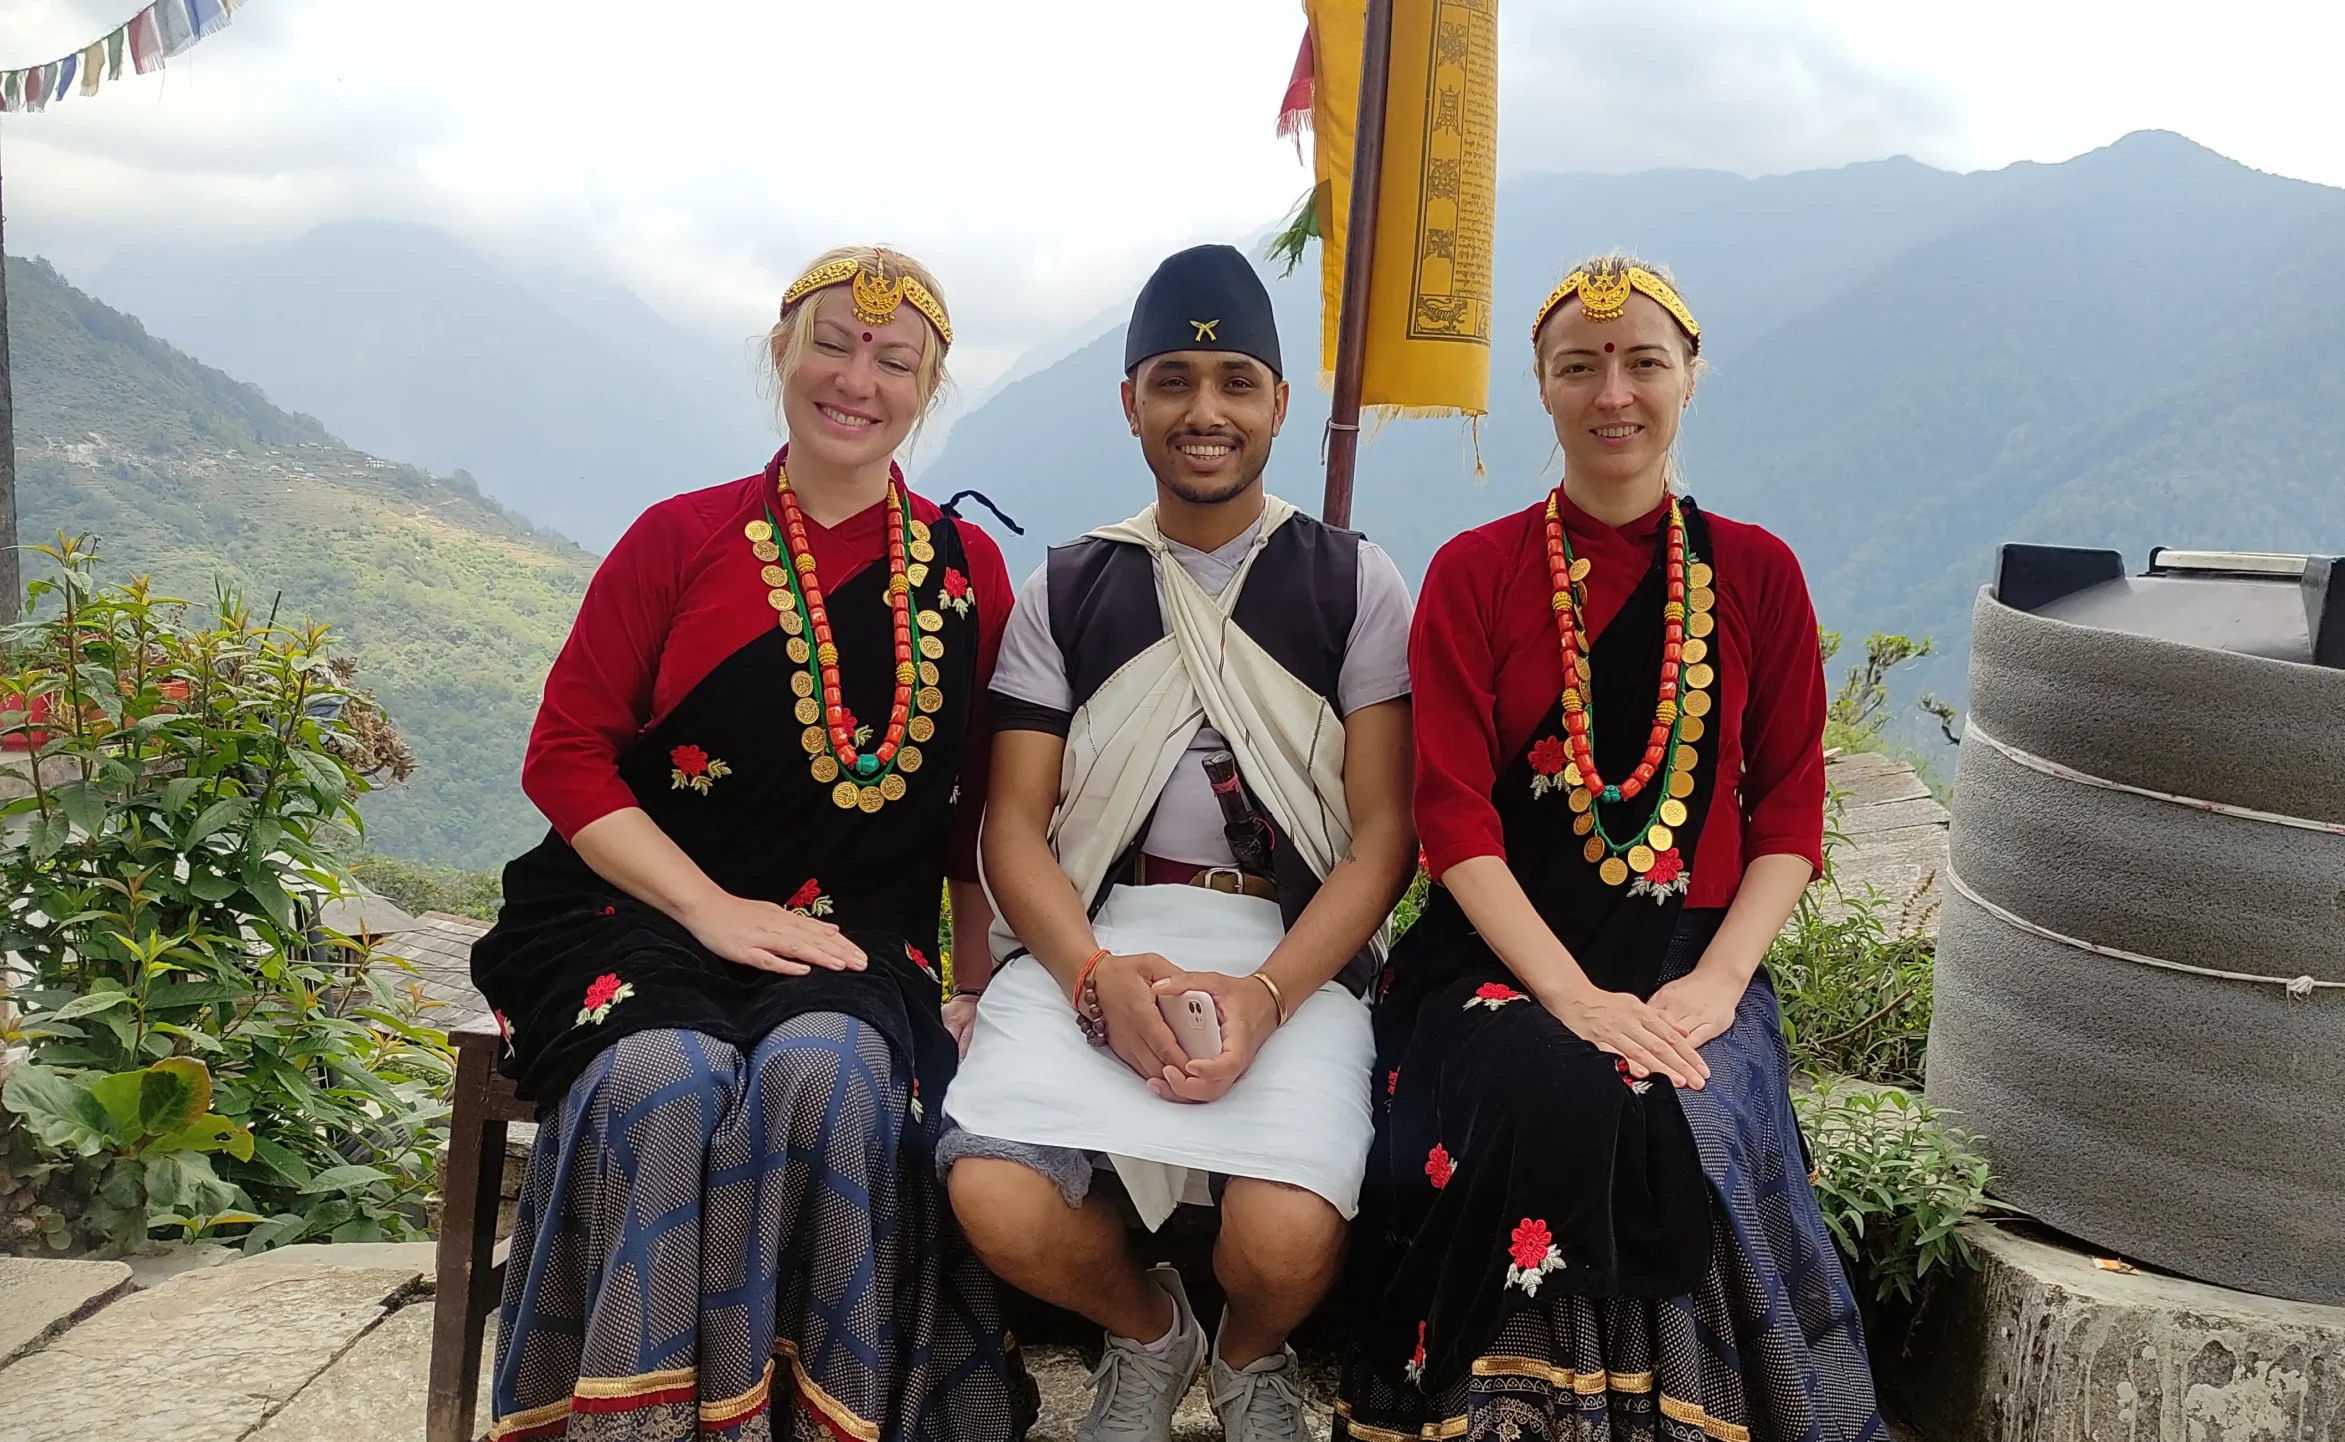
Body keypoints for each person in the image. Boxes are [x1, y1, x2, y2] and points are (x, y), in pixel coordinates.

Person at [469, 246, 1032, 1442]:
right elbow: (564, 754)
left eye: (894, 360)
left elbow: (979, 810)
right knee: (658, 1078)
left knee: (819, 1079)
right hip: (630, 916)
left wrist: (977, 980)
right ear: (779, 352)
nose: (856, 378)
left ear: (929, 389)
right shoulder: (679, 539)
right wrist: (710, 908)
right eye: (831, 342)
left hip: (852, 941)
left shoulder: (967, 571)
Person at [1334, 255, 1883, 1442]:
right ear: (1541, 386)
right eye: (1579, 367)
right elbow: (1453, 818)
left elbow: (1789, 808)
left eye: (1643, 362)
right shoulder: (1474, 573)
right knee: (1553, 1082)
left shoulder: (1756, 572)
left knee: (1683, 1108)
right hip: (1498, 958)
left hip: (1695, 957)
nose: (1613, 393)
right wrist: (1574, 995)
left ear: (1691, 377)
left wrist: (1717, 984)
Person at [937, 243, 1418, 1442]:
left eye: (1235, 380)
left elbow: (1380, 835)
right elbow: (1014, 821)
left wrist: (1264, 994)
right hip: (1099, 933)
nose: (1204, 411)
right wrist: (1092, 977)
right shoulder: (1070, 586)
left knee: (1289, 1227)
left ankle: (1252, 1351)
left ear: (1278, 403)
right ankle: (1152, 1333)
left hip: (1287, 942)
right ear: (1130, 401)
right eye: (1173, 379)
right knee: (992, 1189)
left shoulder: (1350, 583)